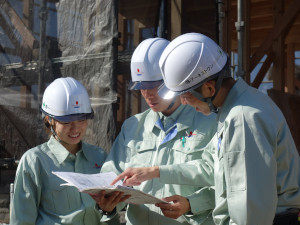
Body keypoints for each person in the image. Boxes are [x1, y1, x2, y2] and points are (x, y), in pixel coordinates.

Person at [112, 33, 300, 225]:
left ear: (209, 89)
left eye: (185, 96)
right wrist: (155, 171)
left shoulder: (242, 119)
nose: (183, 102)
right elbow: (209, 165)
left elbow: (249, 209)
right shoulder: (235, 109)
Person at [100, 37, 217, 225]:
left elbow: (227, 183)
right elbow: (110, 176)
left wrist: (192, 203)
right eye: (142, 87)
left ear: (174, 80)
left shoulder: (210, 123)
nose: (147, 94)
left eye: (153, 86)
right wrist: (106, 201)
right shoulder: (132, 127)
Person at [10, 77, 127, 225]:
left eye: (81, 120)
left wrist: (108, 211)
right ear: (48, 120)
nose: (76, 128)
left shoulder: (99, 157)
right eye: (66, 122)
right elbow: (21, 220)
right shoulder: (35, 162)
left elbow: (110, 217)